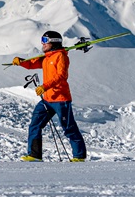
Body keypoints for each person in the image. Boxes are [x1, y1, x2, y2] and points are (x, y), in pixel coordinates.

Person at [11, 31, 87, 162]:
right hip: (47, 99)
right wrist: (21, 62)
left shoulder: (61, 56)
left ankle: (79, 156)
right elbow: (32, 64)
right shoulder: (46, 58)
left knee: (68, 127)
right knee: (35, 125)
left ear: (54, 42)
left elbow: (61, 76)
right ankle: (34, 155)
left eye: (45, 40)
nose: (42, 43)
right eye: (42, 40)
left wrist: (45, 86)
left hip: (60, 99)